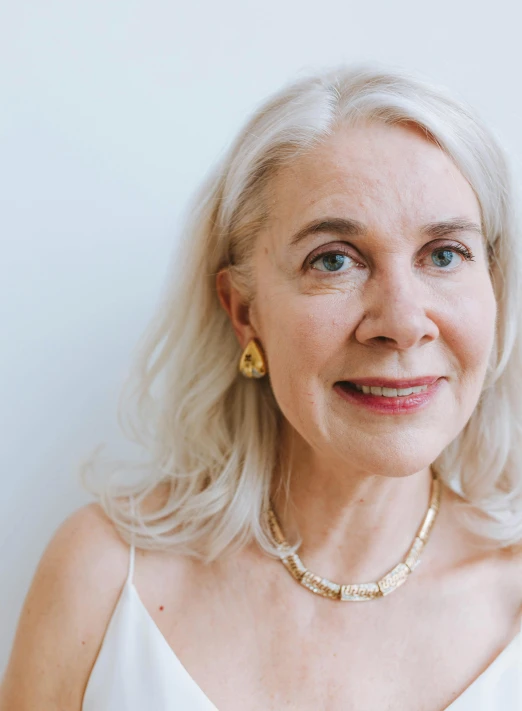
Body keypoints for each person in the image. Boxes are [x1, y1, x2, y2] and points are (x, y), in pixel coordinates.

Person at [2, 62, 522, 711]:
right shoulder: (102, 577)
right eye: (333, 258)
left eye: (444, 254)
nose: (403, 322)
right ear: (243, 310)